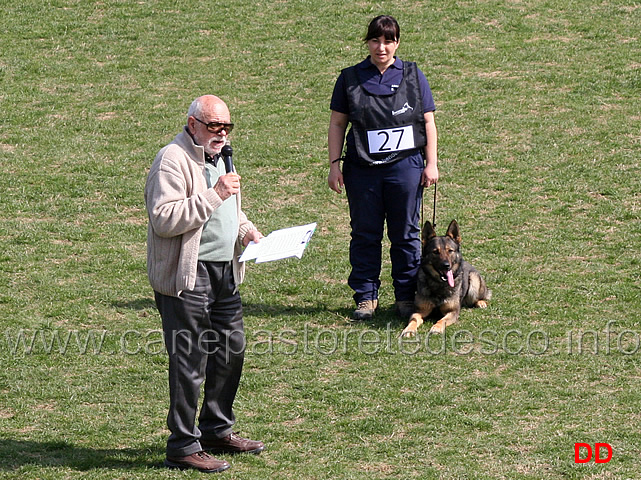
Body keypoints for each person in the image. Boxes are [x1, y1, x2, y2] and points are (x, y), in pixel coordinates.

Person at [145, 95, 265, 473]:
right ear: (192, 123)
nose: (222, 134)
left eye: (227, 127)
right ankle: (182, 445)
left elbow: (230, 208)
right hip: (188, 275)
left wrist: (245, 230)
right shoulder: (172, 160)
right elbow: (164, 218)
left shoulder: (220, 157)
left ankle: (215, 430)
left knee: (230, 352)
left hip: (225, 272)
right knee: (189, 361)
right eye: (215, 127)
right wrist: (216, 194)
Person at [328, 15, 439, 321]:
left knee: (405, 234)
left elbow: (428, 122)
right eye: (376, 40)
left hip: (405, 169)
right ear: (367, 42)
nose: (382, 47)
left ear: (397, 43)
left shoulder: (414, 76)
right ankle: (366, 297)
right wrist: (334, 165)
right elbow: (338, 123)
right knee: (365, 233)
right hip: (362, 170)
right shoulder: (350, 78)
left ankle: (406, 296)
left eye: (388, 41)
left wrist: (431, 164)